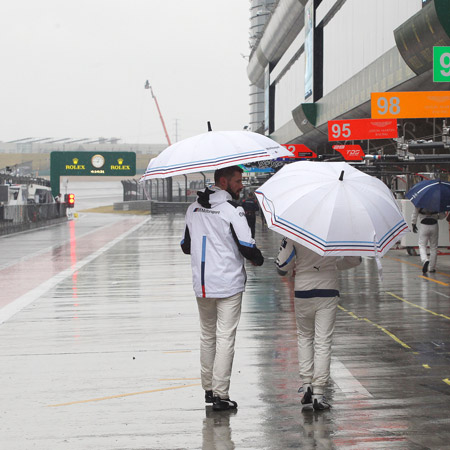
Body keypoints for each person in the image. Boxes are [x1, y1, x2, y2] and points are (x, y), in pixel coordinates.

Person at [181, 166, 264, 411]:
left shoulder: (193, 208)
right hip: (228, 284)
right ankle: (221, 394)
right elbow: (247, 246)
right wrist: (258, 260)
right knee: (226, 337)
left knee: (207, 335)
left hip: (202, 284)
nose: (242, 185)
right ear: (224, 182)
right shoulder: (232, 210)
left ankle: (208, 389)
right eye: (238, 181)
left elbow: (186, 246)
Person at [275, 237, 361, 411]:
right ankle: (319, 392)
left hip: (303, 290)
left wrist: (298, 265)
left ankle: (307, 384)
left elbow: (282, 266)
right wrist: (333, 266)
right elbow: (355, 259)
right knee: (323, 341)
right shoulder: (337, 231)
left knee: (305, 336)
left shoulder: (294, 231)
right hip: (328, 290)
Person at [411, 207, 446, 273]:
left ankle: (425, 260)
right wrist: (436, 217)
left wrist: (413, 223)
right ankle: (432, 268)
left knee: (422, 245)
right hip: (434, 225)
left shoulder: (420, 201)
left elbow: (415, 213)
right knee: (433, 247)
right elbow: (442, 216)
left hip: (424, 225)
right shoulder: (437, 201)